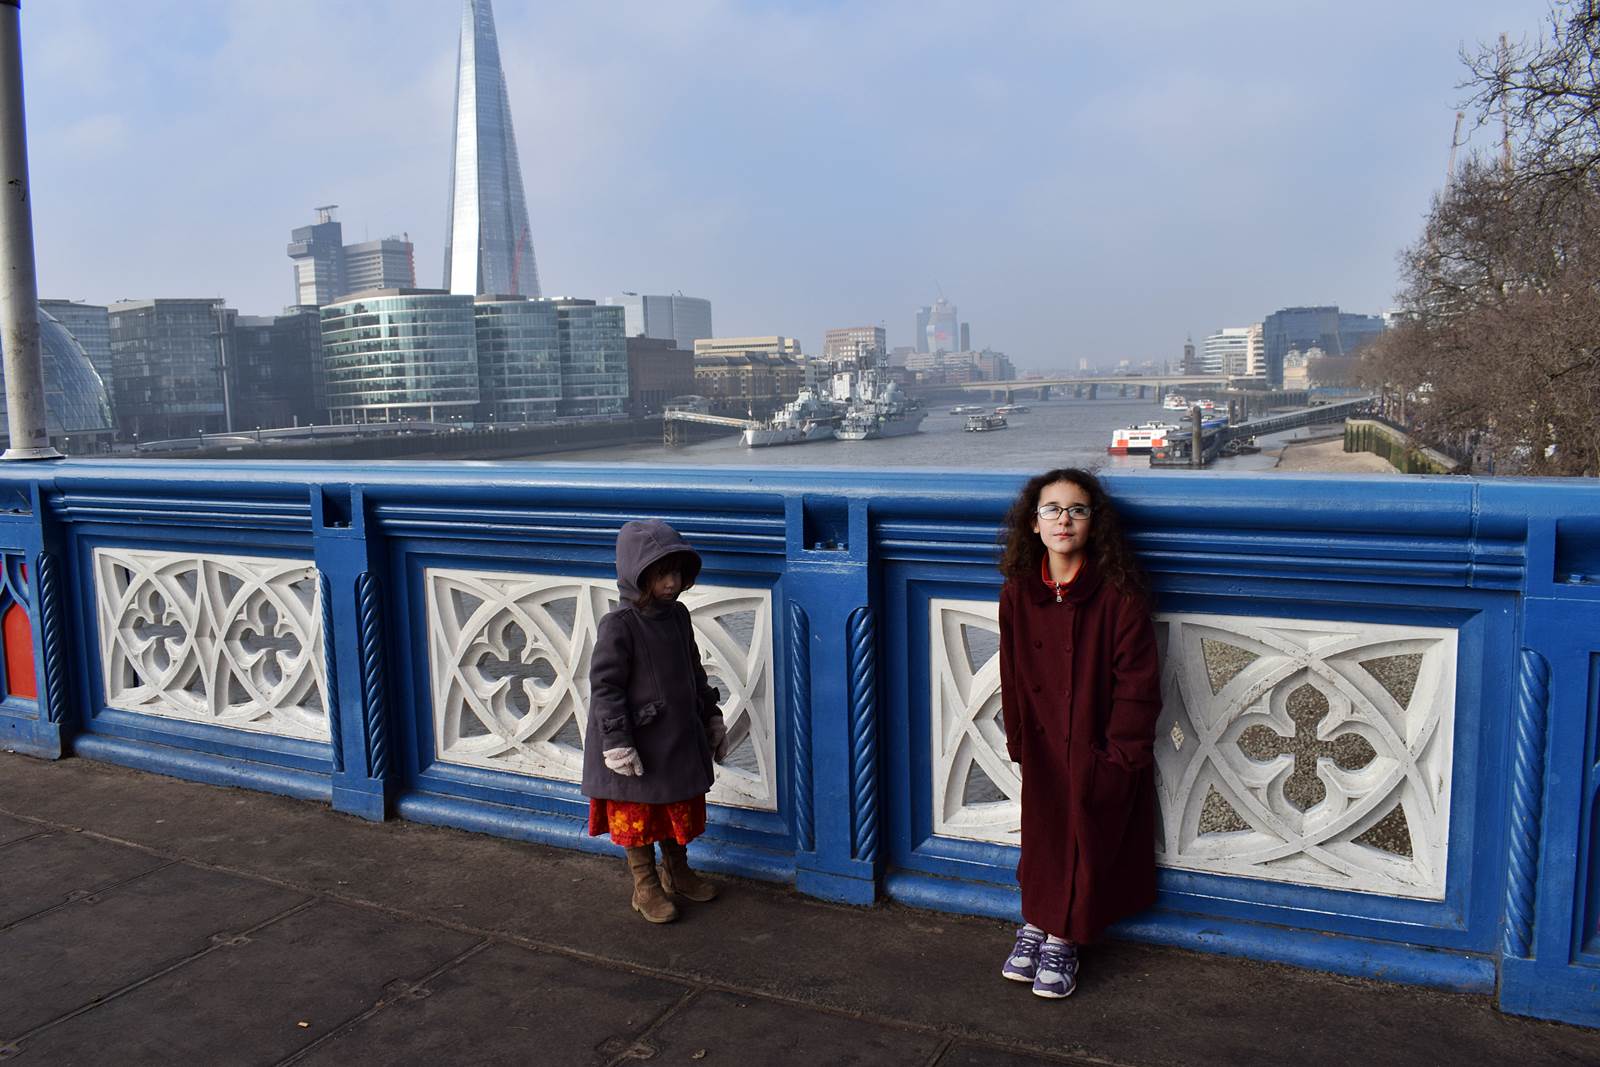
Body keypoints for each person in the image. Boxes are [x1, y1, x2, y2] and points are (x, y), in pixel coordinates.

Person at [995, 468, 1161, 998]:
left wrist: (1120, 756)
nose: (1063, 519)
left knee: (1086, 836)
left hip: (1096, 741)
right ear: (1034, 523)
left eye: (1077, 509)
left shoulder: (1119, 595)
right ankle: (1037, 923)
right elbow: (1013, 673)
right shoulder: (1020, 592)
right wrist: (1019, 738)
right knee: (1044, 833)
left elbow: (1138, 685)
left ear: (1094, 523)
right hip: (1044, 740)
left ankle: (1066, 935)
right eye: (1052, 509)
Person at [583, 519, 729, 923]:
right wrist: (616, 743)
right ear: (637, 574)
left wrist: (711, 716)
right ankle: (645, 885)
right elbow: (606, 687)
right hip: (636, 742)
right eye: (662, 574)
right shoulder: (619, 625)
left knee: (673, 807)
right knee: (638, 815)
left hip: (678, 737)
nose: (671, 582)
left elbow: (694, 671)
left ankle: (678, 872)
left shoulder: (678, 616)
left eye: (677, 573)